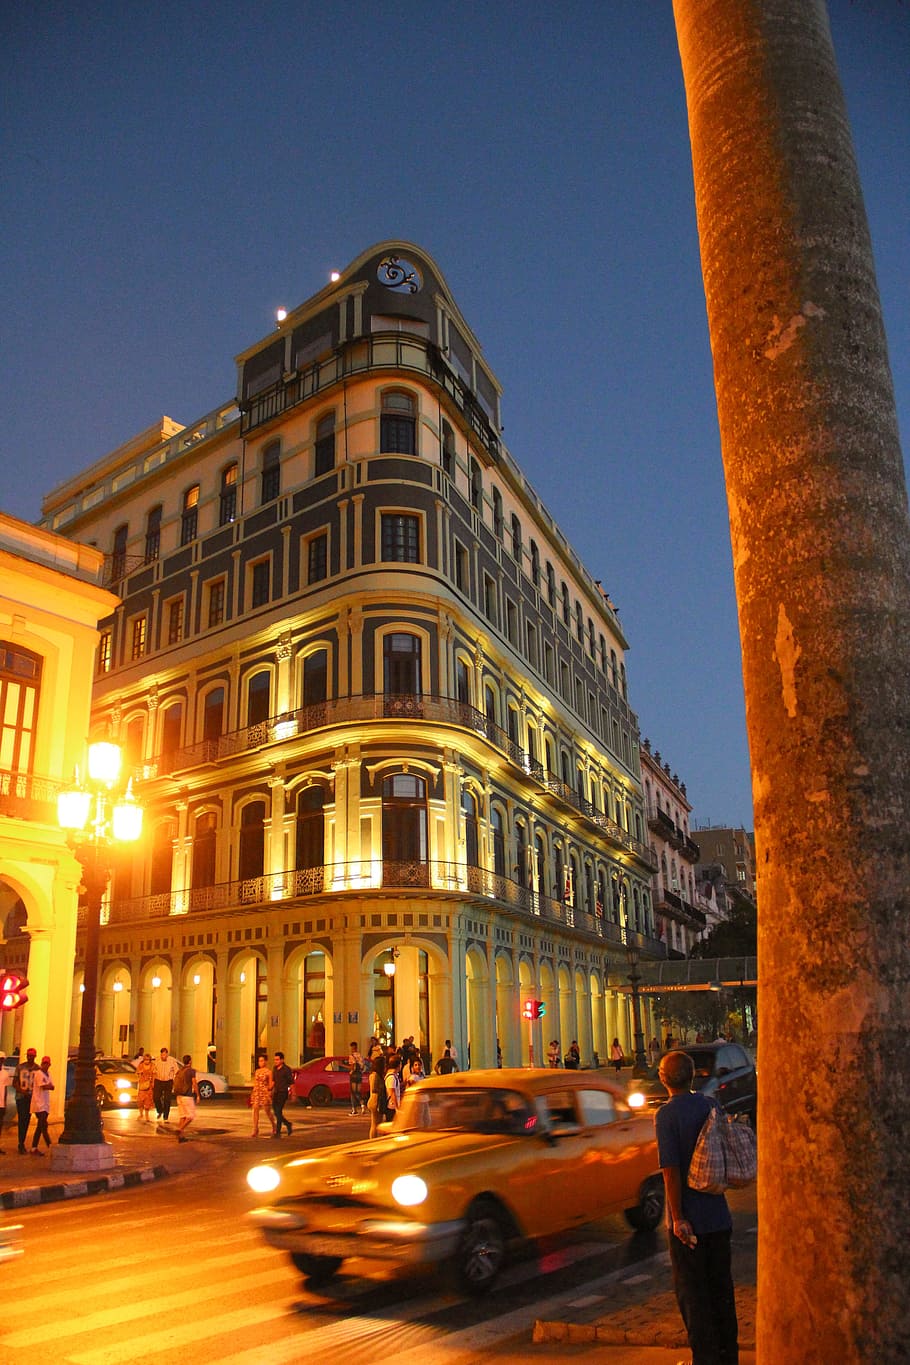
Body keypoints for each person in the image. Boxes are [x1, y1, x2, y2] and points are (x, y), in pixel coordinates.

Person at [655, 1049, 739, 1365]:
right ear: (691, 1077)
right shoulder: (711, 1105)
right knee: (722, 1292)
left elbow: (671, 1171)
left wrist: (678, 1218)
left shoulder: (666, 1115)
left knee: (694, 1297)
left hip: (690, 1223)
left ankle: (704, 1359)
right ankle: (728, 1356)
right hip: (718, 1216)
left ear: (664, 1078)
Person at [14, 1048, 39, 1154]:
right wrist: (22, 1091)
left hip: (31, 1098)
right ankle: (21, 1143)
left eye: (31, 1056)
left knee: (27, 1120)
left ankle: (23, 1142)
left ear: (34, 1057)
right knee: (22, 1120)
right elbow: (15, 1082)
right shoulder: (20, 1067)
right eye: (28, 1055)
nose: (29, 1057)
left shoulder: (37, 1069)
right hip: (21, 1097)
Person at [28, 1055, 54, 1155]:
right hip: (39, 1104)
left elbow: (52, 1086)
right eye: (44, 1063)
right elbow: (44, 1086)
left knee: (40, 1126)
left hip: (45, 1104)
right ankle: (49, 1144)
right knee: (43, 1125)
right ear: (42, 1064)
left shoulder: (48, 1074)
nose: (46, 1065)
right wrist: (48, 1086)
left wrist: (48, 1086)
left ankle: (34, 1147)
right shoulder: (38, 1074)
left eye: (47, 1064)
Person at [172, 1054, 200, 1142]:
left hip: (179, 1095)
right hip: (187, 1096)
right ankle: (180, 1129)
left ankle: (181, 1137)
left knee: (183, 1116)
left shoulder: (180, 1071)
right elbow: (194, 1083)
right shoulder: (191, 1071)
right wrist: (198, 1094)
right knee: (191, 1116)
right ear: (190, 1061)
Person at [153, 1046, 180, 1123]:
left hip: (168, 1081)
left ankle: (166, 1116)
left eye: (165, 1055)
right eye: (162, 1055)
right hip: (158, 1080)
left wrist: (175, 1082)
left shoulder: (172, 1061)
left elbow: (176, 1072)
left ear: (167, 1054)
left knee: (167, 1099)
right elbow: (154, 1071)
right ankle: (160, 1110)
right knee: (156, 1097)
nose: (163, 1057)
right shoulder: (157, 1060)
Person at [251, 1054, 275, 1136]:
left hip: (264, 1092)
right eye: (259, 1061)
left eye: (262, 1061)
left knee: (267, 1111)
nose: (260, 1063)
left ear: (265, 1061)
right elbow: (255, 1082)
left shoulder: (269, 1072)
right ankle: (255, 1129)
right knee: (255, 1109)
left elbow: (271, 1083)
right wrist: (254, 1092)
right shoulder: (257, 1071)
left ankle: (274, 1125)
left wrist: (269, 1091)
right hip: (257, 1092)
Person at [272, 1051, 294, 1137]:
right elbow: (274, 1081)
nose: (276, 1061)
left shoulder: (286, 1069)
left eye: (277, 1060)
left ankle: (278, 1131)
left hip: (283, 1092)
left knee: (279, 1111)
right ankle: (288, 1124)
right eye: (275, 1060)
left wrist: (293, 1094)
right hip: (276, 1092)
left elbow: (291, 1082)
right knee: (276, 1111)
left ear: (282, 1060)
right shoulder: (274, 1069)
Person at [367, 1050, 387, 1139]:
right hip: (375, 1100)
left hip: (374, 1099)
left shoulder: (376, 1074)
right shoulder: (375, 1075)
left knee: (377, 1123)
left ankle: (374, 1139)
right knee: (375, 1123)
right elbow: (375, 1089)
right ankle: (372, 1140)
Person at [136, 1050, 155, 1121]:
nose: (147, 1061)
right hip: (142, 1085)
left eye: (148, 1060)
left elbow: (154, 1074)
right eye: (145, 1060)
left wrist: (153, 1082)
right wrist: (139, 1073)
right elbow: (137, 1073)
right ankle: (141, 1114)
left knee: (148, 1101)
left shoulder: (153, 1066)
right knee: (140, 1100)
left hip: (149, 1086)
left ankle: (147, 1116)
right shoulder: (140, 1065)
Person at [347, 1043, 365, 1114]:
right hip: (359, 1075)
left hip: (353, 1075)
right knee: (358, 1092)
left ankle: (354, 1109)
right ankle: (362, 1105)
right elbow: (363, 1066)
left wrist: (342, 1065)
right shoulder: (360, 1056)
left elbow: (352, 1067)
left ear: (352, 1048)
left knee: (353, 1092)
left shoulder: (351, 1056)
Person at [384, 1054, 403, 1120]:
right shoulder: (391, 1077)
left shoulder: (393, 1076)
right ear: (398, 1065)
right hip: (391, 1107)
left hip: (392, 1106)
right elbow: (392, 1092)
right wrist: (397, 1107)